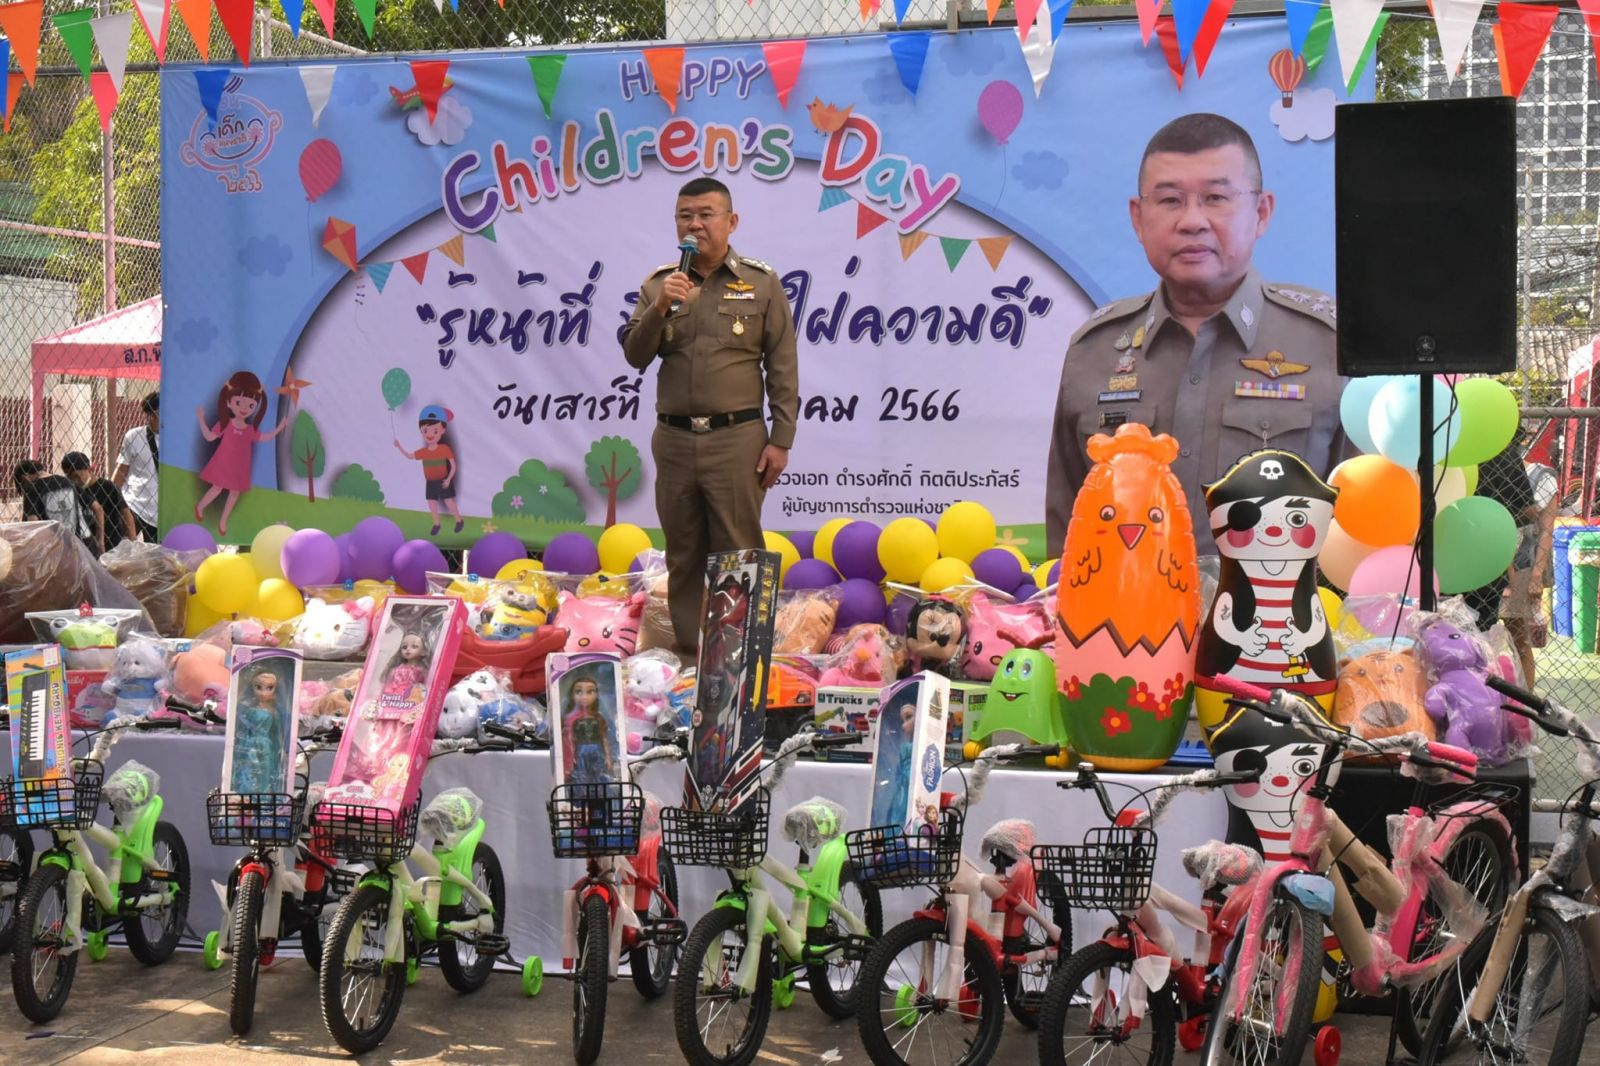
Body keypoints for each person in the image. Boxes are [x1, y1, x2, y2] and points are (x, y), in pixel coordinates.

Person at [1045, 113, 1349, 554]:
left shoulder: (1329, 344)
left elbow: (1359, 531)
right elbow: (1068, 540)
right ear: (1138, 217)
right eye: (1170, 200)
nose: (1192, 221)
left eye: (1215, 197)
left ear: (1261, 212)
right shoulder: (1094, 352)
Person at [621, 176, 799, 658]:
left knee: (739, 552)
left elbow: (782, 364)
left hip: (737, 439)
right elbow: (635, 355)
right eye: (686, 216)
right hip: (675, 440)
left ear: (731, 221)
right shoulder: (660, 284)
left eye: (706, 215)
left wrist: (781, 439)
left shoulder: (760, 283)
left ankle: (740, 660)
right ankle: (689, 656)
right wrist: (662, 307)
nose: (695, 225)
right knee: (683, 554)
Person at [195, 371, 293, 537]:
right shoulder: (225, 423)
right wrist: (201, 419)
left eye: (251, 406)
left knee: (234, 493)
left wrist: (279, 428)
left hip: (240, 467)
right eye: (239, 402)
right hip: (224, 463)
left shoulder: (249, 429)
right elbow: (210, 437)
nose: (244, 408)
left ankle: (223, 521)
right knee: (217, 487)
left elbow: (265, 437)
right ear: (229, 402)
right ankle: (200, 507)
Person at [393, 404, 464, 536]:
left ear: (442, 430)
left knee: (449, 501)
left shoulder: (444, 449)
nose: (430, 435)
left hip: (443, 480)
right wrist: (399, 446)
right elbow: (409, 456)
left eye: (435, 431)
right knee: (431, 503)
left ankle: (459, 520)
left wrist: (448, 479)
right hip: (430, 482)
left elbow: (453, 466)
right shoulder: (423, 452)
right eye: (425, 431)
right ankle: (436, 524)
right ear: (421, 431)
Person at [13, 458, 95, 551]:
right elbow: (97, 508)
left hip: (52, 547)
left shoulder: (32, 488)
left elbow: (33, 523)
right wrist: (100, 542)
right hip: (78, 544)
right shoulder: (67, 482)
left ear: (25, 478)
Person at [63, 452, 134, 556]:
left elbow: (126, 513)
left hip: (111, 544)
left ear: (89, 469)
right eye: (71, 478)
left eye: (77, 476)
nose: (76, 481)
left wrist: (133, 544)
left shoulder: (107, 487)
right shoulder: (72, 491)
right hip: (86, 546)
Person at [113, 393, 159, 541]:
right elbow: (121, 470)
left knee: (157, 553)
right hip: (135, 504)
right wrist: (111, 498)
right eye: (149, 414)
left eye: (156, 414)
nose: (151, 419)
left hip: (163, 511)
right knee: (123, 547)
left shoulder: (178, 439)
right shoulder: (134, 436)